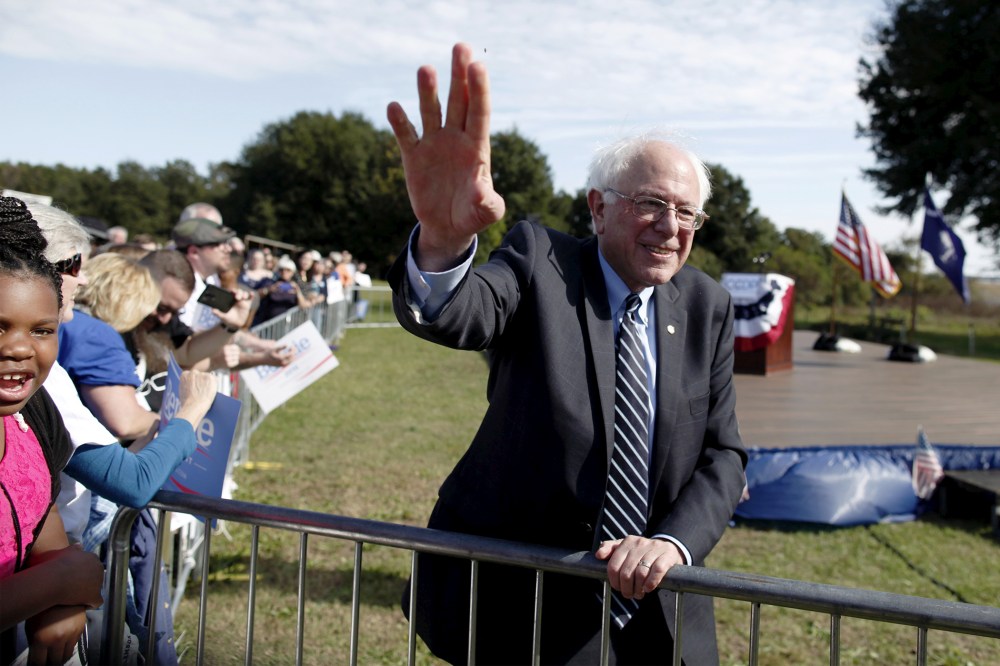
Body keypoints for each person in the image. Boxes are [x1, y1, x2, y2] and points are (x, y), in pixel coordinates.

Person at [385, 44, 747, 665]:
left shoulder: (706, 305)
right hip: (520, 610)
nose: (671, 226)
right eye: (652, 204)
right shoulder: (540, 260)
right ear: (599, 206)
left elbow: (724, 453)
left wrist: (673, 543)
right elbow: (465, 314)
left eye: (687, 212)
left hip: (657, 615)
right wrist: (443, 245)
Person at [0, 197, 104, 664]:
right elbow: (63, 570)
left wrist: (60, 595)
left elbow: (41, 513)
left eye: (42, 330)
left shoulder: (35, 413)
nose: (20, 348)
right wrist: (59, 584)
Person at [57, 253, 162, 442]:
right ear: (131, 304)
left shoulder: (63, 318)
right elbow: (125, 421)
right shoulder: (98, 336)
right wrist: (175, 422)